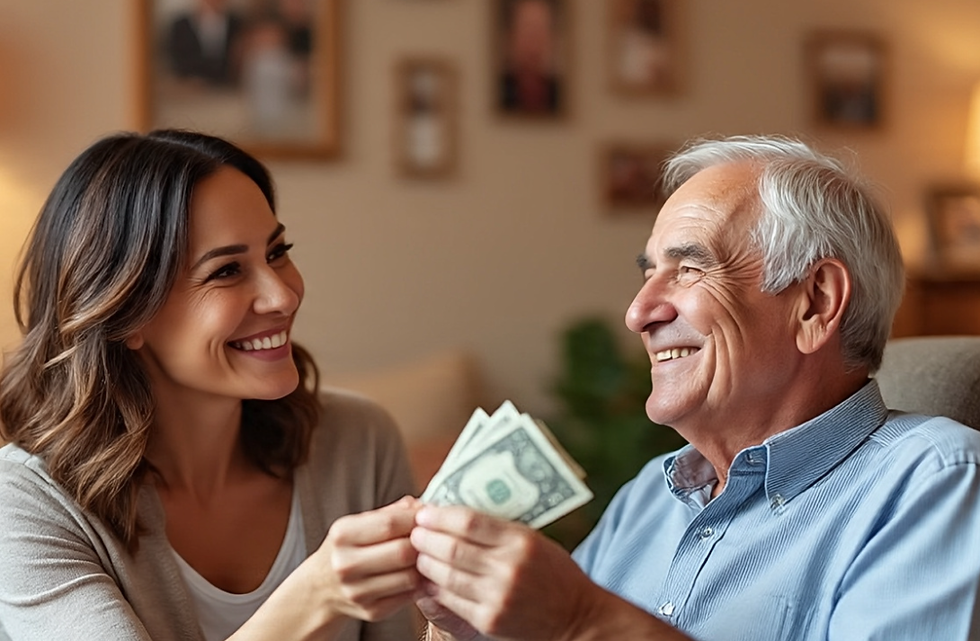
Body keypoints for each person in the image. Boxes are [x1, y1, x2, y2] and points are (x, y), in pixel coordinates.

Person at [410, 135, 980, 640]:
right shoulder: (647, 499)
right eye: (647, 273)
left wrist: (583, 622)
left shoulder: (933, 484)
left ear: (816, 303)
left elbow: (575, 623)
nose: (638, 313)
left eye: (688, 269)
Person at [0, 130, 421, 641]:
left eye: (277, 251)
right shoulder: (23, 504)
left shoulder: (359, 441)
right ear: (126, 312)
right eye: (226, 271)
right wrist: (318, 594)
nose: (282, 295)